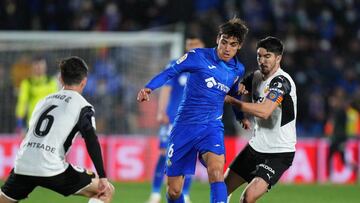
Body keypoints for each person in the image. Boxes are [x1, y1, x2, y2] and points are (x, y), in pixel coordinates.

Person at [138, 17, 249, 203]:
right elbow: (170, 71)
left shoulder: (238, 69)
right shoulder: (197, 56)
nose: (227, 48)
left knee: (216, 171)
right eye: (224, 42)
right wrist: (149, 87)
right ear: (217, 39)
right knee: (174, 191)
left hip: (211, 127)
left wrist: (240, 116)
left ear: (239, 46)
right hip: (184, 127)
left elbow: (234, 94)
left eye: (233, 44)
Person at [0, 56, 114, 203]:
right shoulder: (83, 106)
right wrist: (102, 175)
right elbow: (91, 140)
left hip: (23, 165)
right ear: (84, 81)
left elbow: (30, 137)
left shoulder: (43, 102)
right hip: (51, 168)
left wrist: (16, 171)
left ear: (60, 79)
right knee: (105, 191)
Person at [224, 36, 297, 203]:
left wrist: (233, 101)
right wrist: (238, 88)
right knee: (221, 189)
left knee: (247, 198)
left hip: (279, 152)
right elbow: (239, 86)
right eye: (259, 56)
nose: (262, 60)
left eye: (267, 56)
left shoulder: (281, 82)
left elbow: (264, 111)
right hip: (256, 146)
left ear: (278, 58)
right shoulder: (255, 76)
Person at [147, 37, 205, 203]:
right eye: (190, 45)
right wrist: (161, 111)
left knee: (189, 155)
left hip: (193, 120)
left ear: (202, 47)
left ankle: (184, 194)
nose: (193, 48)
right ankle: (155, 193)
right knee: (164, 153)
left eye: (196, 45)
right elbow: (166, 88)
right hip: (172, 117)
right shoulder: (177, 63)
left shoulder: (206, 67)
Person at [15, 56, 58, 136]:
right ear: (32, 67)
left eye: (41, 66)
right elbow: (22, 102)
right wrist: (19, 122)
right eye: (36, 66)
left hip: (49, 123)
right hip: (33, 123)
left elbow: (56, 102)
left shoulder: (51, 82)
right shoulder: (27, 83)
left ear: (45, 67)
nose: (39, 68)